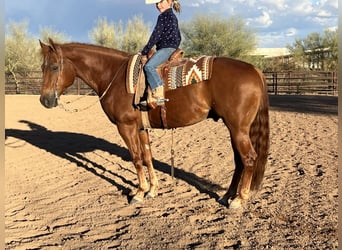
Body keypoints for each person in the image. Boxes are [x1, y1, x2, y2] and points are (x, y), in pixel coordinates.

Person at [141, 0, 181, 108]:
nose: (158, 5)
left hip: (167, 48)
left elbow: (156, 35)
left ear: (169, 2)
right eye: (156, 3)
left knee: (149, 66)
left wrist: (145, 50)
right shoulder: (172, 16)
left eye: (161, 2)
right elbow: (178, 36)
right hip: (171, 47)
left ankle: (158, 93)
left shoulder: (163, 16)